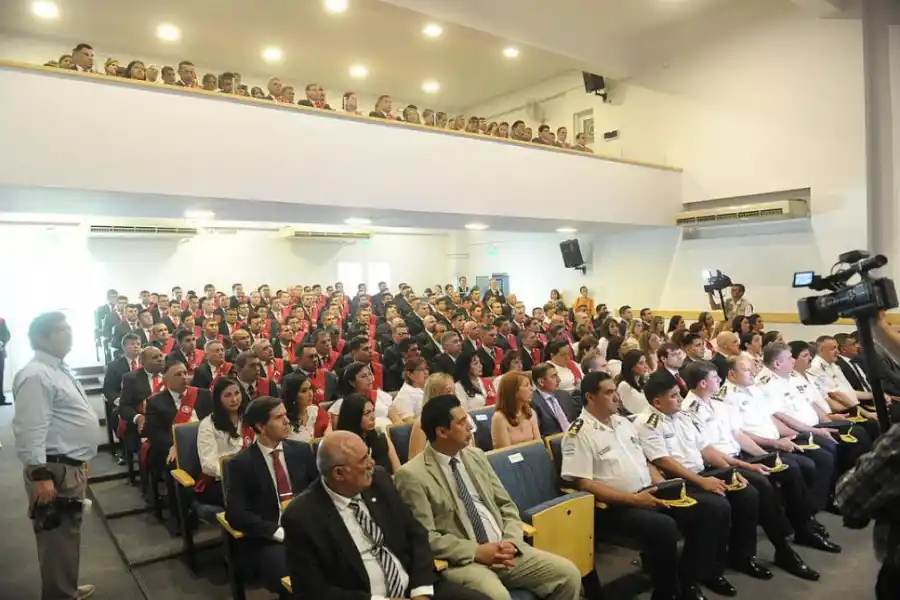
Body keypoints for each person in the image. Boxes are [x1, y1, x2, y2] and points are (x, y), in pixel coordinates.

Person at [394, 395, 583, 600]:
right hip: (465, 561)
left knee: (568, 575)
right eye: (461, 422)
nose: (470, 426)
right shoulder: (412, 475)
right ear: (441, 432)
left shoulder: (476, 456)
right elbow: (426, 537)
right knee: (499, 597)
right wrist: (477, 551)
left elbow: (506, 505)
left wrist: (511, 542)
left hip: (505, 549)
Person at [282, 431, 491, 600]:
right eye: (363, 460)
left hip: (415, 588)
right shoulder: (302, 516)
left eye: (369, 454)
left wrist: (420, 591)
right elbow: (312, 590)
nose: (371, 463)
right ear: (339, 473)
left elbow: (416, 534)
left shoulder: (379, 481)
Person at [680, 362, 831, 575]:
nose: (720, 380)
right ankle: (780, 549)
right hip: (718, 464)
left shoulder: (718, 404)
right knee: (761, 486)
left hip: (739, 456)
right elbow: (707, 451)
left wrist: (765, 456)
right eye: (715, 377)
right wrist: (739, 469)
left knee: (785, 467)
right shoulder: (688, 411)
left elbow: (737, 435)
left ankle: (802, 528)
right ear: (703, 383)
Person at [13, 313, 99, 600]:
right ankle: (60, 595)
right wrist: (39, 476)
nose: (69, 333)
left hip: (67, 464)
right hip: (51, 470)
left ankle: (65, 589)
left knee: (67, 536)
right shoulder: (36, 374)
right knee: (56, 539)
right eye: (61, 329)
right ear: (42, 338)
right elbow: (31, 429)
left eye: (68, 326)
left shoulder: (58, 369)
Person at [224, 396, 318, 593]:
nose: (287, 421)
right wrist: (278, 532)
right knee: (300, 580)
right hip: (270, 539)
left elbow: (317, 491)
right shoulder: (241, 464)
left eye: (286, 415)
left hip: (308, 530)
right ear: (261, 427)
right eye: (279, 417)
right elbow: (236, 513)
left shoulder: (301, 451)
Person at [719, 355, 835, 514]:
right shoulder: (726, 397)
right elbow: (740, 434)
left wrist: (798, 435)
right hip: (755, 449)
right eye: (747, 370)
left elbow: (772, 418)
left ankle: (814, 506)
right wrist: (773, 445)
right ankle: (803, 517)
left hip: (776, 440)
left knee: (821, 453)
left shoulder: (753, 388)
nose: (753, 373)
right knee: (797, 466)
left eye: (753, 368)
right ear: (732, 374)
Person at [195, 377, 252, 507]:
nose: (234, 399)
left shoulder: (249, 418)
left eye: (237, 393)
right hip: (221, 481)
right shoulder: (208, 425)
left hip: (250, 475)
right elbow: (208, 465)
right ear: (218, 399)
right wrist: (236, 475)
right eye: (228, 395)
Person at [336, 393, 402, 474]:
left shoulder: (381, 438)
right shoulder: (343, 447)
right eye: (367, 413)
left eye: (373, 411)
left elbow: (398, 471)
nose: (373, 417)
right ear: (354, 417)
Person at [329, 361, 395, 429]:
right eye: (363, 376)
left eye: (369, 374)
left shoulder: (381, 395)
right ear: (352, 382)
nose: (369, 378)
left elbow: (397, 422)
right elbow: (340, 432)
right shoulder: (341, 404)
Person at [491, 373, 540, 449]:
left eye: (531, 385)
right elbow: (505, 453)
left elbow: (538, 446)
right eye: (526, 385)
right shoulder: (499, 418)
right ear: (513, 391)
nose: (532, 389)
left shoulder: (531, 413)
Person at [279, 372, 331, 442]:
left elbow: (330, 439)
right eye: (304, 391)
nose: (310, 394)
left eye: (310, 388)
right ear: (292, 395)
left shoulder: (317, 412)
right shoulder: (282, 420)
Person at [391, 357, 429, 422]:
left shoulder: (423, 388)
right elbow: (408, 421)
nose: (426, 372)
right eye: (421, 369)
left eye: (426, 368)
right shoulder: (405, 394)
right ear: (409, 374)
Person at [617, 349, 650, 415]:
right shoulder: (624, 385)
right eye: (641, 363)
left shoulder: (643, 381)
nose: (646, 366)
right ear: (631, 366)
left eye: (645, 362)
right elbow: (631, 410)